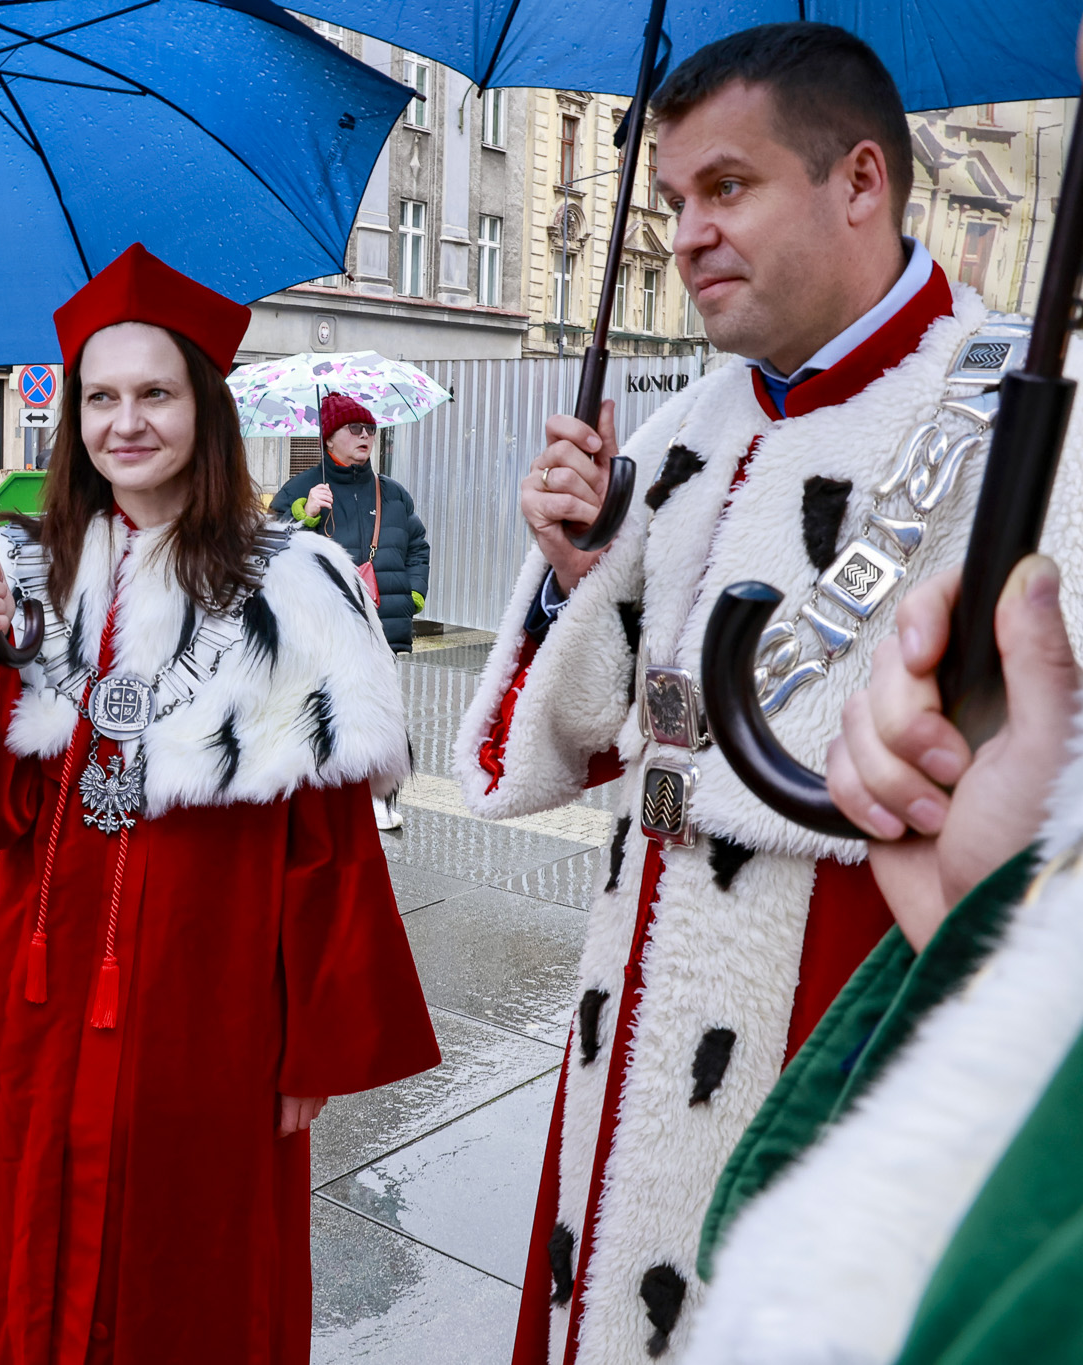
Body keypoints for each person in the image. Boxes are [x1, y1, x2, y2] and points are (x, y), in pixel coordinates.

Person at [451, 24, 1073, 1363]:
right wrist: (566, 580)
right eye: (673, 200)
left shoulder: (1032, 416)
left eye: (726, 187)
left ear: (860, 180)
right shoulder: (684, 429)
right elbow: (539, 755)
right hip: (628, 1041)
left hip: (848, 1025)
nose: (685, 233)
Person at [0, 243, 441, 1364]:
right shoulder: (26, 572)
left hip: (208, 1007)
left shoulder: (295, 581)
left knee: (187, 1277)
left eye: (154, 395)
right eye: (100, 397)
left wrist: (309, 1053)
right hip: (30, 1000)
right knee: (21, 1257)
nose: (125, 422)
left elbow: (328, 847)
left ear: (203, 410)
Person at [686, 552, 1083, 1365]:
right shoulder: (675, 439)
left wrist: (1022, 907)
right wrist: (570, 574)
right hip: (644, 978)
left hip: (836, 986)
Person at [270, 391, 430, 829]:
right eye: (354, 429)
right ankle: (322, 801)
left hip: (381, 622)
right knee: (325, 711)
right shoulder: (300, 490)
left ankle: (381, 798)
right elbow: (267, 547)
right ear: (329, 438)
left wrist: (413, 594)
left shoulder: (393, 493)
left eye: (370, 429)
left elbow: (417, 546)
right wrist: (305, 514)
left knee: (381, 712)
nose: (365, 436)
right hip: (321, 628)